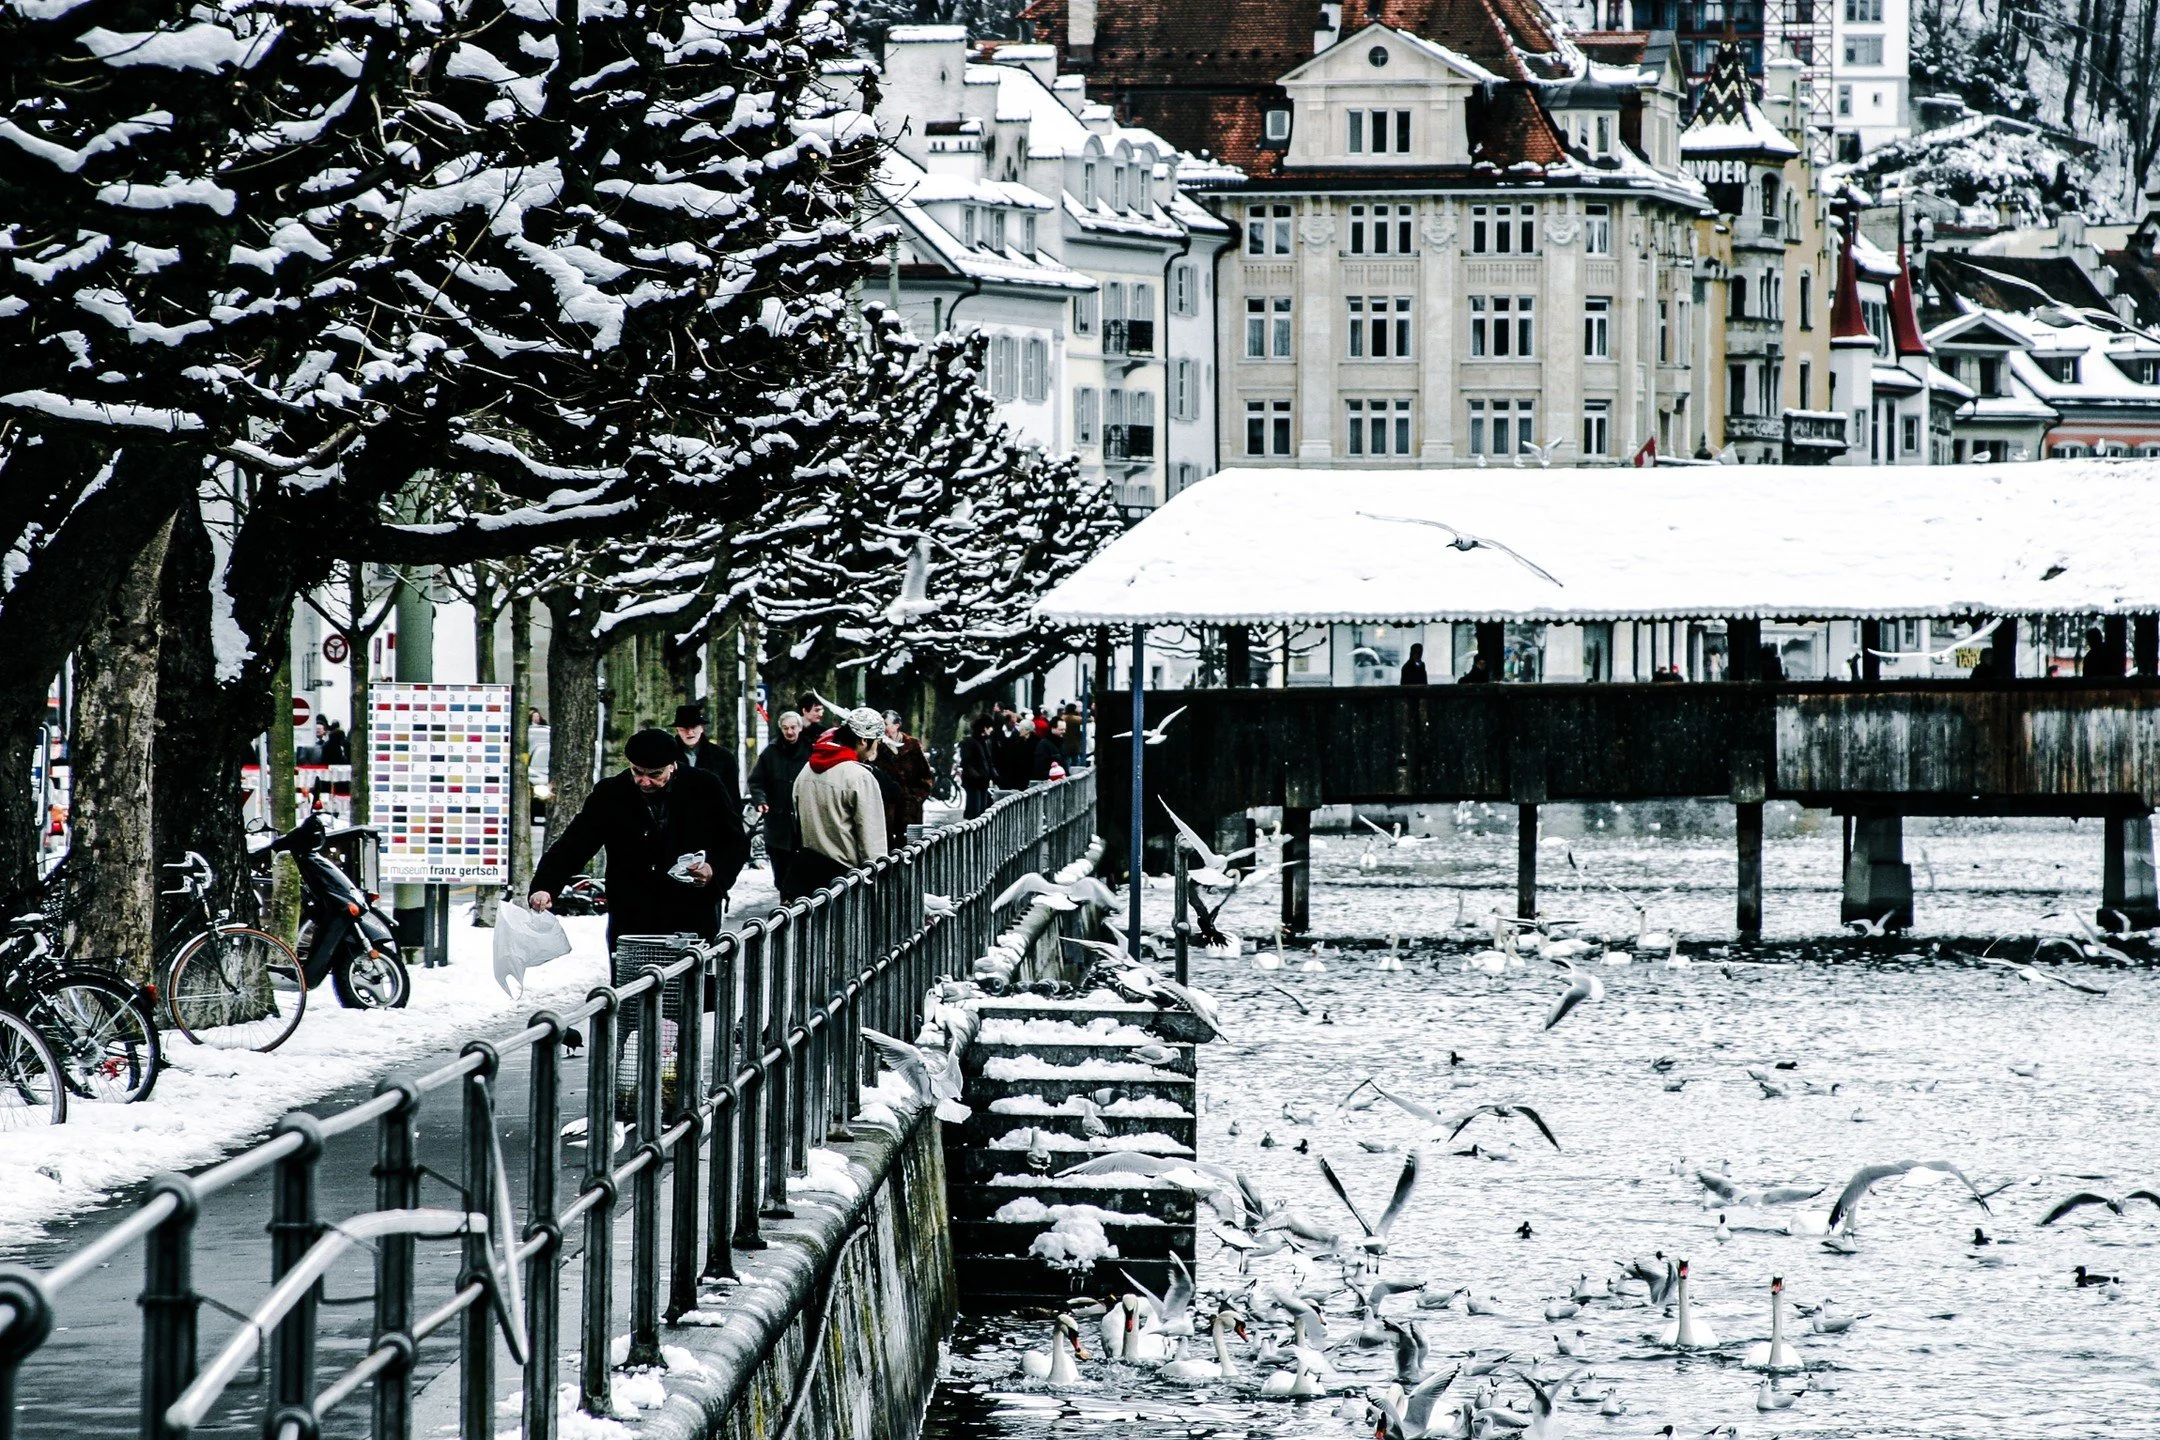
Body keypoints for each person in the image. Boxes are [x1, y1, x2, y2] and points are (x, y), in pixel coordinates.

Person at [529, 728, 749, 950]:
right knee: (633, 981)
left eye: (654, 775)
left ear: (672, 766)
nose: (644, 781)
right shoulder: (611, 793)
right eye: (637, 772)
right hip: (632, 914)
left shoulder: (705, 788)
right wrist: (546, 886)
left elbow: (735, 842)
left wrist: (713, 870)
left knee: (689, 982)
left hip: (691, 912)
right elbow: (574, 844)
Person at [790, 707, 889, 893]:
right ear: (863, 740)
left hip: (806, 876)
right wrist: (877, 880)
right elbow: (872, 839)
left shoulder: (805, 770)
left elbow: (797, 824)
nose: (877, 747)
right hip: (845, 881)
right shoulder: (860, 777)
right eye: (877, 741)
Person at [747, 710, 807, 893]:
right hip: (777, 820)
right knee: (780, 862)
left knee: (801, 863)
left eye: (793, 727)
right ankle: (785, 897)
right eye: (785, 728)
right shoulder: (770, 753)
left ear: (800, 727)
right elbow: (756, 781)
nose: (790, 732)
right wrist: (761, 800)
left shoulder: (810, 751)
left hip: (803, 819)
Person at [873, 711, 934, 850]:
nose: (883, 728)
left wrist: (917, 797)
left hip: (910, 807)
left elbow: (925, 774)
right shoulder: (878, 745)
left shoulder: (912, 745)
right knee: (890, 848)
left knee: (912, 847)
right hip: (888, 808)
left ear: (897, 725)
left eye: (886, 724)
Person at [671, 703, 744, 810]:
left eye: (694, 727)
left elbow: (733, 797)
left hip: (714, 820)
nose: (690, 732)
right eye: (684, 728)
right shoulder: (667, 756)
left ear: (702, 728)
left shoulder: (723, 757)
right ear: (677, 729)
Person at [960, 713, 996, 819]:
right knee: (976, 812)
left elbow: (988, 762)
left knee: (981, 811)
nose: (991, 730)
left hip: (982, 782)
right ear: (984, 728)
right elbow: (967, 764)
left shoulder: (983, 742)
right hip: (974, 783)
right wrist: (979, 776)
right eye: (989, 727)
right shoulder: (971, 742)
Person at [1033, 715, 1070, 780]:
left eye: (1064, 729)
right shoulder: (1043, 744)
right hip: (1050, 782)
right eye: (1061, 729)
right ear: (1052, 728)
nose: (1064, 732)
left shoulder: (1062, 743)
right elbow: (1039, 767)